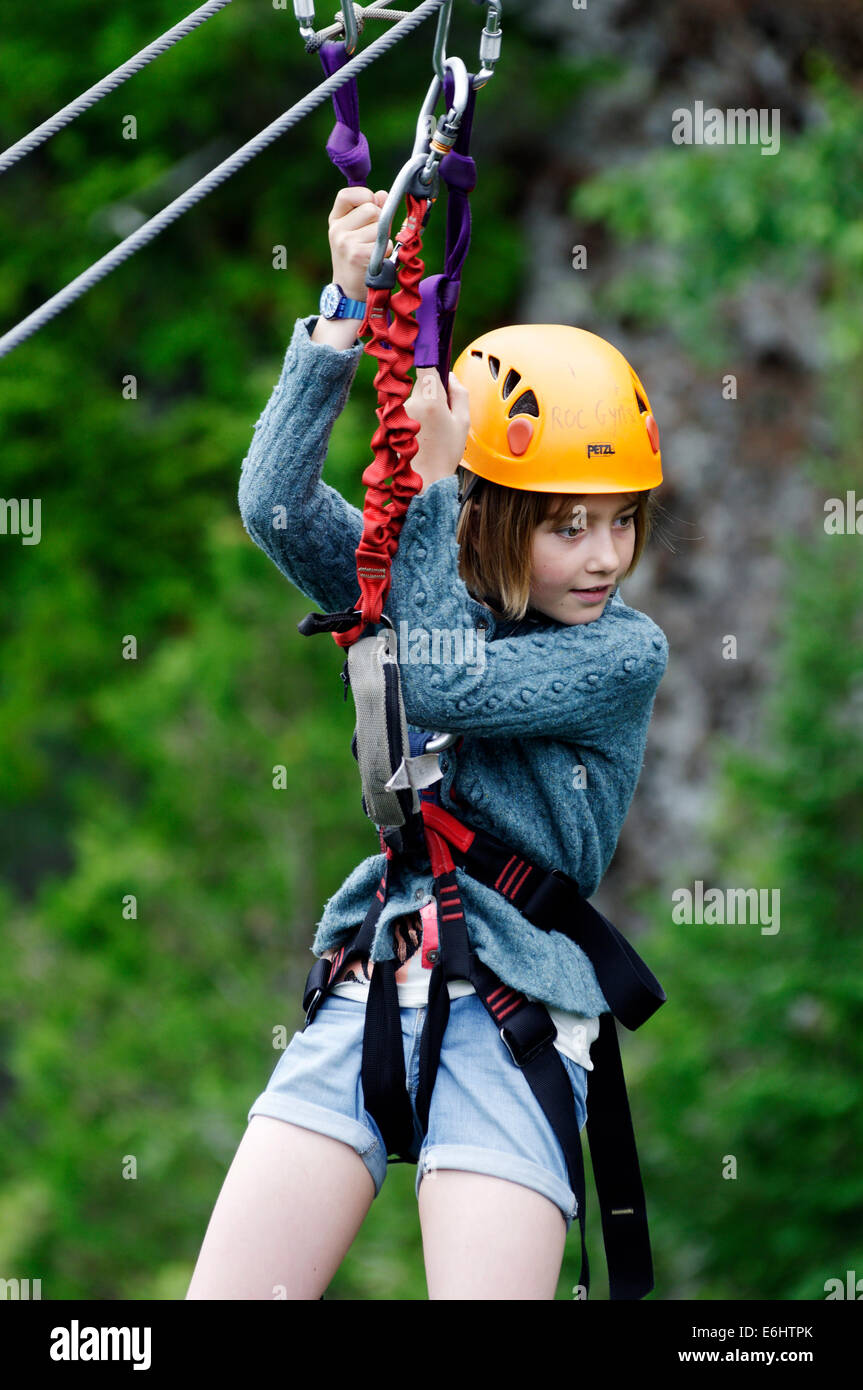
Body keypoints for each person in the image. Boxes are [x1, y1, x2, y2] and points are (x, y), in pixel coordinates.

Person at [186, 186, 669, 1301]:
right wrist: (341, 315)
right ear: (496, 515)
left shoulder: (621, 654)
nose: (602, 555)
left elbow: (451, 676)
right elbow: (274, 508)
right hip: (375, 980)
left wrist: (434, 483)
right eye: (565, 523)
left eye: (620, 518)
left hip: (513, 1017)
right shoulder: (430, 577)